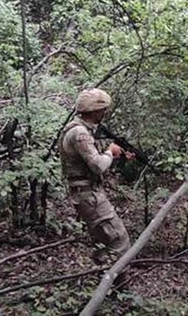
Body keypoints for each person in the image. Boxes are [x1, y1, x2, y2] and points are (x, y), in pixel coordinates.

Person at [59, 88, 131, 260]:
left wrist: (117, 155)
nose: (105, 112)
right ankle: (119, 284)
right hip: (88, 195)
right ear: (95, 110)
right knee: (118, 240)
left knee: (102, 241)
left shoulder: (84, 130)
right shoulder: (80, 133)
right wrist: (110, 152)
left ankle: (102, 278)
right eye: (103, 109)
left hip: (88, 192)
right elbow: (98, 166)